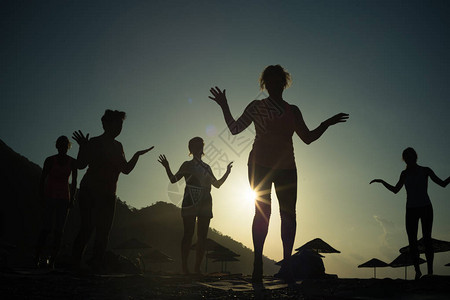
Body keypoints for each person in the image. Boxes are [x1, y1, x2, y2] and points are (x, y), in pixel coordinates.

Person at [209, 65, 349, 283]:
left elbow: (308, 137)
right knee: (263, 212)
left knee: (289, 214)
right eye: (270, 81)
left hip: (287, 168)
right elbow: (236, 129)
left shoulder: (293, 110)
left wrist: (326, 123)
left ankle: (287, 264)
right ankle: (257, 262)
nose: (274, 84)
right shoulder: (257, 106)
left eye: (278, 81)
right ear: (265, 84)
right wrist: (224, 105)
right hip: (259, 165)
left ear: (284, 83)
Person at [71, 110, 153, 271]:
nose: (120, 128)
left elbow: (126, 169)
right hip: (90, 191)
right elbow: (80, 164)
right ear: (106, 124)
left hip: (109, 194)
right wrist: (82, 147)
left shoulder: (118, 146)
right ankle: (75, 264)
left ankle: (95, 264)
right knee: (87, 228)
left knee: (103, 231)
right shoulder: (94, 142)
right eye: (117, 124)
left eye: (121, 124)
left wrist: (137, 155)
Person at [370, 147, 450, 280]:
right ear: (404, 159)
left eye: (410, 156)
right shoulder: (404, 174)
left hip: (426, 207)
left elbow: (442, 184)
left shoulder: (425, 170)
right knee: (412, 242)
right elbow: (396, 190)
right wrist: (382, 181)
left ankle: (430, 272)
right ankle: (417, 271)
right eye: (406, 157)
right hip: (411, 209)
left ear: (415, 157)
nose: (408, 159)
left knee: (427, 239)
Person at [158, 137, 232, 275]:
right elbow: (174, 180)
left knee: (202, 236)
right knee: (188, 234)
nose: (199, 149)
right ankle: (185, 268)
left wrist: (227, 172)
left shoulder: (207, 167)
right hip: (190, 200)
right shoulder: (186, 165)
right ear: (191, 149)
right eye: (196, 146)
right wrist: (167, 166)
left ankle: (197, 268)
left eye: (200, 146)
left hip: (205, 201)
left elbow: (217, 184)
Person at [36, 136, 77, 268]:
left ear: (68, 147)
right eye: (61, 145)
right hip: (49, 196)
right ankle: (37, 257)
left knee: (59, 231)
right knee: (46, 229)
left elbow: (74, 182)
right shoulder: (49, 160)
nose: (63, 147)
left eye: (65, 145)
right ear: (57, 146)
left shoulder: (72, 162)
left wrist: (72, 198)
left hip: (64, 198)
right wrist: (41, 197)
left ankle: (52, 261)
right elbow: (42, 179)